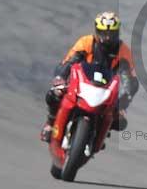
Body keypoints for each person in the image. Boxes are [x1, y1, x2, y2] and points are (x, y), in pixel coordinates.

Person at [40, 11, 139, 143]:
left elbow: (130, 80)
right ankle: (50, 124)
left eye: (111, 33)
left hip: (105, 91)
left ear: (117, 32)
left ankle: (100, 136)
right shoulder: (86, 42)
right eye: (104, 33)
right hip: (79, 84)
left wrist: (123, 103)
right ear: (97, 30)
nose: (108, 38)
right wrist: (61, 78)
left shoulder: (123, 51)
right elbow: (69, 61)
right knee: (54, 95)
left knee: (120, 122)